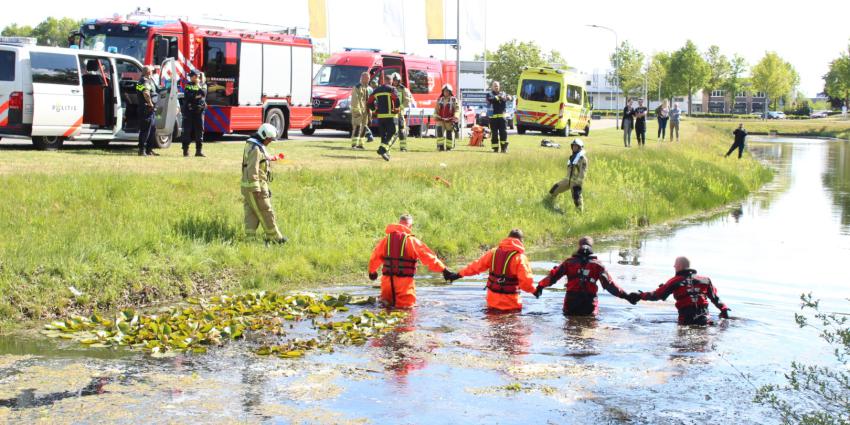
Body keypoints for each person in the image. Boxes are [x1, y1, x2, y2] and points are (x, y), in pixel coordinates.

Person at [367, 214, 457, 308]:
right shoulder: (412, 241)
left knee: (386, 307)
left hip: (387, 283)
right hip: (404, 284)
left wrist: (372, 271)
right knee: (407, 312)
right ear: (410, 226)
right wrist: (444, 270)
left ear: (399, 224)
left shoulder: (386, 240)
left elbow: (375, 257)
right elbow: (429, 257)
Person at [533, 236, 635, 316]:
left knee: (570, 330)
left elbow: (552, 278)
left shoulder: (569, 263)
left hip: (571, 304)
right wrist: (627, 296)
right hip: (589, 305)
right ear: (592, 247)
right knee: (589, 330)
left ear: (579, 246)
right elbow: (610, 286)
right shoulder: (597, 265)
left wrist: (539, 287)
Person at [629, 256, 731, 325]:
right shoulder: (705, 280)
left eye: (675, 264)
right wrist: (724, 309)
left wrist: (640, 295)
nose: (674, 266)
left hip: (686, 320)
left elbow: (657, 295)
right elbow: (715, 298)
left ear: (680, 266)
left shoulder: (675, 281)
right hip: (705, 319)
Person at [454, 229, 535, 312]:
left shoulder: (493, 253)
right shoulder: (520, 258)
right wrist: (534, 291)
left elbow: (476, 266)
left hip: (492, 304)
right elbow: (526, 283)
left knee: (492, 323)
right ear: (521, 241)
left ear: (507, 238)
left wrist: (459, 274)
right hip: (511, 306)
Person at [241, 123, 287, 244]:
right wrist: (256, 189)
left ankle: (250, 239)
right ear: (263, 136)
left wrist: (272, 158)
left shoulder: (254, 145)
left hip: (249, 186)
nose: (269, 142)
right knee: (265, 211)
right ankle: (275, 238)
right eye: (269, 140)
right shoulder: (255, 149)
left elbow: (262, 158)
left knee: (252, 213)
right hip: (255, 187)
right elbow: (252, 169)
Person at [547, 139, 588, 212]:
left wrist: (578, 183)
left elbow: (583, 172)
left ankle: (580, 213)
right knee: (554, 188)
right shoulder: (572, 157)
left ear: (580, 147)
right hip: (567, 180)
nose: (574, 148)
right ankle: (548, 203)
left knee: (576, 197)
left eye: (576, 146)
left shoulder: (582, 158)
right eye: (573, 146)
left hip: (575, 182)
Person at [367, 74, 400, 161]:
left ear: (383, 81)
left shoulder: (376, 90)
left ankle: (386, 153)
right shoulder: (392, 89)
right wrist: (396, 109)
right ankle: (382, 150)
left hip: (380, 117)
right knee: (394, 133)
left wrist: (374, 111)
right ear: (391, 81)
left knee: (384, 136)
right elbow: (397, 100)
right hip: (391, 116)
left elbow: (369, 102)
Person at [181, 70, 207, 157]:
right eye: (191, 76)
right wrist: (196, 96)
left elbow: (203, 93)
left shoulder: (202, 85)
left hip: (199, 112)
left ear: (196, 76)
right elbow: (188, 97)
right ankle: (185, 151)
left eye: (193, 76)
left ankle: (198, 151)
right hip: (189, 111)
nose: (191, 77)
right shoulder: (188, 85)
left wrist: (197, 90)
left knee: (199, 131)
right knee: (187, 131)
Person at [136, 65, 159, 156]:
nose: (153, 72)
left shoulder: (142, 81)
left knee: (152, 129)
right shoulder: (145, 81)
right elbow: (146, 93)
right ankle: (142, 150)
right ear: (149, 72)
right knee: (145, 130)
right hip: (147, 109)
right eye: (152, 71)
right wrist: (150, 104)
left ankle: (149, 150)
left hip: (148, 110)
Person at [389, 73, 413, 152]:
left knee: (402, 129)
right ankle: (387, 146)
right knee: (391, 130)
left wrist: (400, 107)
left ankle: (403, 147)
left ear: (399, 81)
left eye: (396, 80)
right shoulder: (390, 88)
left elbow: (407, 100)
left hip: (399, 113)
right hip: (391, 113)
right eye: (394, 80)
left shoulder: (403, 89)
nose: (395, 82)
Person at [486, 81, 511, 153]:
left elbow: (509, 98)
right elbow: (490, 100)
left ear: (499, 86)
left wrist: (509, 97)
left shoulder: (503, 93)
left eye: (497, 86)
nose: (496, 87)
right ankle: (495, 148)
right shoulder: (489, 94)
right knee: (494, 133)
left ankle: (504, 148)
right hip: (493, 118)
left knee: (503, 133)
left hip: (502, 118)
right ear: (492, 87)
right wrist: (498, 97)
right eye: (495, 86)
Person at [434, 84, 460, 151]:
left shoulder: (454, 100)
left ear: (450, 92)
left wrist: (455, 117)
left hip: (449, 120)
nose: (446, 92)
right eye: (444, 91)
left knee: (449, 134)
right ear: (442, 92)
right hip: (440, 119)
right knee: (439, 132)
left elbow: (457, 109)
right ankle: (440, 147)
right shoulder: (440, 99)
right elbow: (436, 109)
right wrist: (436, 116)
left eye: (447, 91)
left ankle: (449, 147)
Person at [350, 72, 371, 150]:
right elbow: (355, 100)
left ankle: (361, 144)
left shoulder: (368, 88)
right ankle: (354, 145)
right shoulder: (357, 87)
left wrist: (370, 112)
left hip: (366, 111)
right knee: (357, 127)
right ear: (362, 78)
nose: (369, 80)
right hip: (358, 111)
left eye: (369, 78)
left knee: (364, 127)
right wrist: (357, 111)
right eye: (367, 78)